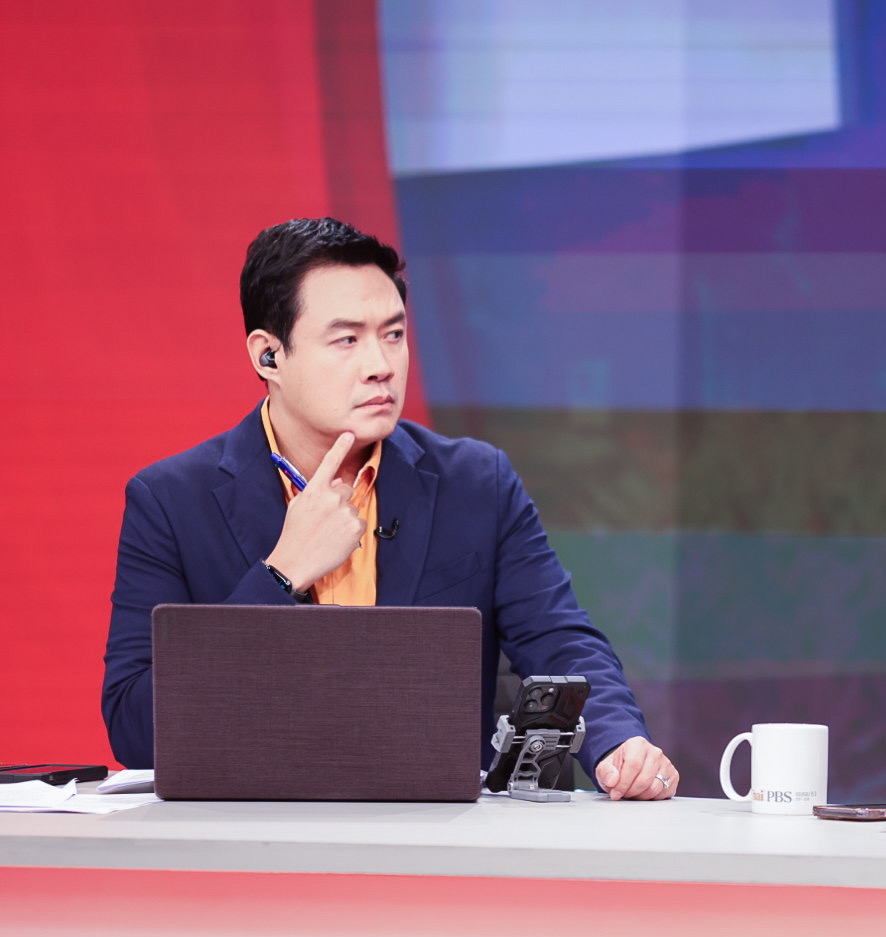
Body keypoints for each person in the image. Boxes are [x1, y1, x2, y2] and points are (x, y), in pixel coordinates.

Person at [102, 217, 678, 799]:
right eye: (347, 340)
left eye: (394, 334)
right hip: (250, 832)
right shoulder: (170, 501)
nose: (381, 365)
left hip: (433, 832)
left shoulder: (476, 483)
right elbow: (133, 726)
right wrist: (280, 576)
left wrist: (618, 741)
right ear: (268, 355)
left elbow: (560, 641)